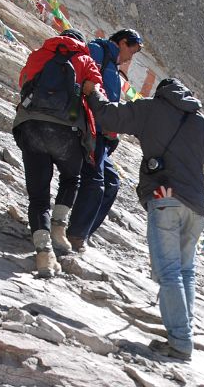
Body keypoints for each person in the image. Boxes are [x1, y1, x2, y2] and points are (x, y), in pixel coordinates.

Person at [83, 77, 204, 361]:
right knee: (186, 270)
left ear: (162, 92)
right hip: (197, 207)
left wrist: (94, 93)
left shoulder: (151, 108)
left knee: (169, 272)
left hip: (165, 200)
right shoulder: (200, 121)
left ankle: (180, 342)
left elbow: (108, 116)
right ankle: (182, 333)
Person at [13, 29, 105, 278]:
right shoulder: (85, 60)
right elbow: (96, 92)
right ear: (80, 44)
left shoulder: (39, 54)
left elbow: (23, 83)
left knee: (39, 197)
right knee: (71, 178)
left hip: (31, 127)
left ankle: (43, 254)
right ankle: (59, 230)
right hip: (67, 132)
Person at [66, 28, 144, 253]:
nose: (132, 55)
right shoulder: (97, 52)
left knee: (111, 183)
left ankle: (82, 232)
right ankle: (75, 235)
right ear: (121, 42)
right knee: (95, 184)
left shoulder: (112, 67)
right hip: (87, 127)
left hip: (102, 132)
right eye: (132, 48)